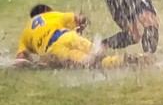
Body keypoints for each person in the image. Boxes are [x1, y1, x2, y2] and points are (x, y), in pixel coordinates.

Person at [15, 4, 150, 69]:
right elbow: (81, 19)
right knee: (98, 54)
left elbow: (20, 59)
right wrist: (81, 26)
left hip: (53, 50)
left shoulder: (25, 33)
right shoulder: (54, 15)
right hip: (68, 36)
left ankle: (123, 61)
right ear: (46, 11)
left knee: (90, 64)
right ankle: (132, 59)